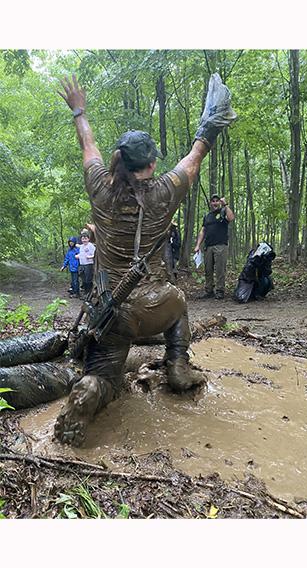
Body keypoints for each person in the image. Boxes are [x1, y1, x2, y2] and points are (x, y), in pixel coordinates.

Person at [54, 74, 235, 446]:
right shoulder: (165, 190)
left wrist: (79, 110)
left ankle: (91, 389)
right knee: (180, 302)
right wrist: (208, 127)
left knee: (104, 377)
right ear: (151, 164)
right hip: (158, 306)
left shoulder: (100, 186)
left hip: (112, 310)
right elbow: (194, 158)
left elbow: (88, 146)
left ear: (117, 161)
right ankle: (178, 365)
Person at [194, 195, 235, 299]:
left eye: (217, 201)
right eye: (213, 201)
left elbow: (231, 218)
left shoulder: (223, 212)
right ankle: (209, 291)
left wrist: (225, 204)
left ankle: (220, 291)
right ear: (210, 203)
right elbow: (203, 231)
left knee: (220, 270)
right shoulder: (207, 216)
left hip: (220, 245)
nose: (215, 203)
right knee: (208, 270)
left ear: (219, 202)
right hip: (208, 246)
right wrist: (198, 245)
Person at [76, 228, 95, 300]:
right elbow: (81, 254)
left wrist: (89, 257)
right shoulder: (81, 247)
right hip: (82, 264)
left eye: (85, 238)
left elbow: (94, 255)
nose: (84, 240)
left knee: (88, 279)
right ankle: (85, 293)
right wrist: (78, 256)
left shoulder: (90, 246)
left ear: (88, 239)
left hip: (88, 264)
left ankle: (89, 294)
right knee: (83, 279)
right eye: (83, 239)